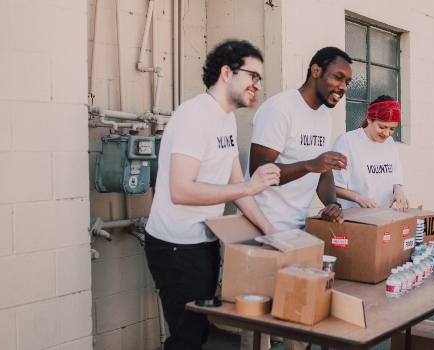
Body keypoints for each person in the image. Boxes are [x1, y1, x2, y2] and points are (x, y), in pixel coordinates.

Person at [144, 40, 280, 350]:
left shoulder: (226, 118)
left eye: (260, 78)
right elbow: (181, 190)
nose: (257, 85)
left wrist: (270, 230)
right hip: (174, 245)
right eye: (252, 76)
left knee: (198, 333)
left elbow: (235, 185)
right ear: (226, 73)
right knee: (186, 339)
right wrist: (249, 186)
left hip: (203, 241)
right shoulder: (194, 115)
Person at [243, 46, 353, 350]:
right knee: (258, 326)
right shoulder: (280, 109)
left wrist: (332, 202)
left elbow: (324, 171)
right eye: (338, 77)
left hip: (298, 233)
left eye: (348, 82)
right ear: (316, 71)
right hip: (263, 230)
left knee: (300, 317)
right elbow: (258, 172)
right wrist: (308, 164)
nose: (343, 87)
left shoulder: (323, 117)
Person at [332, 95, 409, 211]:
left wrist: (399, 192)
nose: (387, 133)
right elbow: (333, 186)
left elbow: (396, 180)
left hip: (386, 217)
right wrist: (359, 199)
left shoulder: (390, 143)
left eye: (392, 129)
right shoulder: (346, 142)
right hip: (357, 220)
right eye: (382, 127)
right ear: (369, 119)